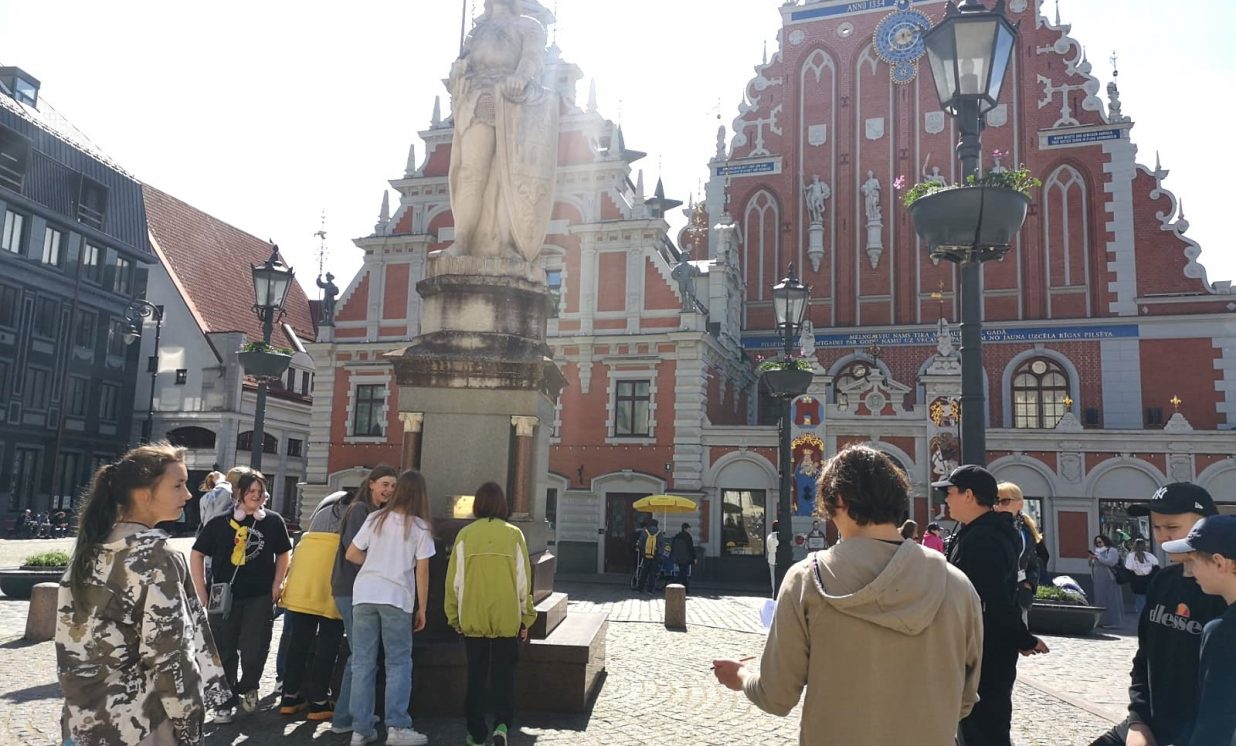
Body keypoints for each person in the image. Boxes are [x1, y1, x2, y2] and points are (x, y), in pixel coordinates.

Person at [712, 445, 983, 745]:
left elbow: (776, 695)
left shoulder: (806, 580)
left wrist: (742, 676)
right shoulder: (957, 585)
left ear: (838, 500)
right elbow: (965, 699)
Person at [56, 443, 230, 745]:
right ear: (143, 494)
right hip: (140, 724)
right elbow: (171, 655)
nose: (189, 494)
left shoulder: (91, 548)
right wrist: (190, 730)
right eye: (178, 485)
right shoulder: (156, 557)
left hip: (82, 721)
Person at [1089, 483, 1227, 746]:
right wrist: (1138, 721)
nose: (1163, 537)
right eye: (1156, 527)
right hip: (1150, 724)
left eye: (1172, 527)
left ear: (1206, 525)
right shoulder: (1162, 581)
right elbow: (1144, 658)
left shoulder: (1223, 593)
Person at [937, 464, 1049, 746]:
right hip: (976, 646)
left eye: (949, 492)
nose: (945, 499)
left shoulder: (985, 537)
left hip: (986, 651)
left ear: (968, 495)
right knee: (972, 727)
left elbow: (995, 598)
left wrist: (1022, 638)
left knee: (985, 728)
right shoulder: (973, 531)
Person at [447, 0, 558, 262]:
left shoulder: (529, 26)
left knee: (507, 175)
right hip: (478, 98)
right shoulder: (477, 32)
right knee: (470, 173)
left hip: (512, 101)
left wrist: (521, 76)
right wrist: (457, 72)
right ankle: (462, 240)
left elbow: (532, 57)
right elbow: (462, 67)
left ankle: (507, 243)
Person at [190, 470, 292, 722]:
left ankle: (249, 686)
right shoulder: (219, 522)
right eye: (251, 492)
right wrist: (202, 590)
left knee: (254, 647)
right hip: (222, 596)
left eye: (260, 492)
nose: (256, 496)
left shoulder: (273, 521)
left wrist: (277, 583)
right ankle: (224, 701)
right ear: (239, 494)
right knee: (223, 648)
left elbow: (283, 553)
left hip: (259, 595)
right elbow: (197, 553)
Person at [344, 469, 434, 746]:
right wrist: (422, 608)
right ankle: (397, 726)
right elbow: (422, 571)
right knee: (398, 663)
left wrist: (375, 563)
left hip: (364, 594)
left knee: (363, 663)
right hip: (396, 597)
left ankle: (360, 729)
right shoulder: (420, 527)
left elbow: (352, 553)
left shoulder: (375, 518)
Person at [445, 482, 537, 746]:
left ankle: (476, 732)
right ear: (503, 505)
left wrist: (454, 616)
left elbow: (454, 581)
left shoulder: (465, 535)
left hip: (472, 619)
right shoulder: (514, 535)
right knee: (503, 677)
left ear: (477, 505)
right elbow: (523, 581)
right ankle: (501, 725)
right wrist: (526, 618)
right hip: (507, 619)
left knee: (475, 677)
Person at [330, 465, 399, 736]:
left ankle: (355, 713)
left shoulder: (376, 512)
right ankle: (345, 717)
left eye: (393, 486)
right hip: (352, 589)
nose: (389, 490)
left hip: (361, 590)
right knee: (360, 656)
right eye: (385, 484)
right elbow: (355, 550)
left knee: (361, 655)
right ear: (371, 484)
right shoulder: (360, 510)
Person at [1162, 515, 1236, 746]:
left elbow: (1216, 722)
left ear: (1219, 563)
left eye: (1193, 561)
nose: (1191, 571)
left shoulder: (1223, 631)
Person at [277, 490, 350, 722]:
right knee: (328, 645)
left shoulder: (322, 510)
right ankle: (318, 701)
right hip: (330, 587)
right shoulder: (356, 513)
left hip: (303, 586)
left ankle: (290, 697)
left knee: (298, 642)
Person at [997, 482, 1047, 621]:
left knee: (1020, 630)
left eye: (1005, 501)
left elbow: (1033, 563)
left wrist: (1029, 584)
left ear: (1019, 504)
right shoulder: (991, 528)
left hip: (1020, 594)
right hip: (997, 593)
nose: (999, 506)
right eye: (996, 501)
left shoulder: (1026, 530)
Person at [1090, 535, 1126, 629]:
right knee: (1099, 599)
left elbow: (1111, 562)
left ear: (1105, 541)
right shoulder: (1097, 551)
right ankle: (1100, 621)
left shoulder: (1112, 550)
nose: (1098, 544)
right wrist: (1091, 560)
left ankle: (1112, 621)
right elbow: (1093, 565)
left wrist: (1098, 558)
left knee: (1110, 599)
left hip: (1109, 577)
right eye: (1097, 542)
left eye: (1100, 542)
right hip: (1098, 579)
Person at [1124, 538, 1160, 617]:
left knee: (1140, 601)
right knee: (1148, 600)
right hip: (1148, 580)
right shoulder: (1149, 555)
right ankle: (1149, 616)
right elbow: (1156, 565)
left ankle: (1142, 616)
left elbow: (1128, 568)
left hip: (1138, 581)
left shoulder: (1132, 556)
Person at [636, 519, 661, 594]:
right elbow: (662, 545)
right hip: (655, 556)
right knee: (653, 573)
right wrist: (659, 554)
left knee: (644, 572)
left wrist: (643, 552)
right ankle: (650, 590)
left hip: (646, 555)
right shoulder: (659, 533)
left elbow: (640, 543)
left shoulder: (645, 532)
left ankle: (640, 588)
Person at [671, 523, 696, 592]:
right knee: (683, 573)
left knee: (683, 572)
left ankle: (686, 589)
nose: (690, 530)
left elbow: (672, 547)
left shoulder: (677, 536)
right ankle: (675, 584)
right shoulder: (688, 537)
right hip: (686, 558)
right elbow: (691, 548)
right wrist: (694, 557)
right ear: (686, 529)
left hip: (678, 558)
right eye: (689, 529)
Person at [766, 520, 780, 599]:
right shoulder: (773, 537)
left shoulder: (770, 536)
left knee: (774, 578)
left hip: (773, 559)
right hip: (774, 559)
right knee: (774, 578)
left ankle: (775, 593)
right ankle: (775, 594)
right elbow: (775, 545)